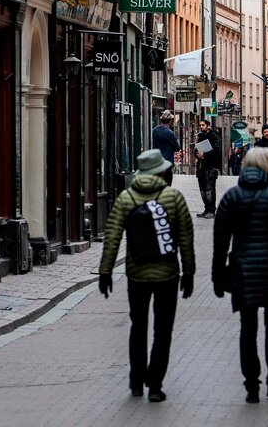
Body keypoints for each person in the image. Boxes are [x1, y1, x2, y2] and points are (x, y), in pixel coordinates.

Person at [99, 148, 196, 402]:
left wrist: (105, 271)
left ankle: (135, 381)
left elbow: (112, 237)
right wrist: (189, 272)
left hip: (136, 273)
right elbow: (186, 237)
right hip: (167, 274)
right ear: (161, 171)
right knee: (163, 330)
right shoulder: (173, 197)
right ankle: (155, 385)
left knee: (138, 327)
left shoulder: (126, 198)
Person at [211, 146, 268, 403]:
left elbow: (220, 243)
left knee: (247, 327)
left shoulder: (231, 198)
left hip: (243, 270)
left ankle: (251, 385)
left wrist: (218, 277)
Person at [195, 119, 222, 218]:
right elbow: (196, 150)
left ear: (208, 126)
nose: (201, 127)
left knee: (209, 189)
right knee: (202, 190)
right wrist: (197, 154)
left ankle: (211, 210)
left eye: (203, 125)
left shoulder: (214, 136)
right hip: (201, 167)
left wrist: (205, 155)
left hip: (211, 167)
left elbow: (217, 151)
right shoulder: (200, 136)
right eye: (200, 125)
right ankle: (206, 209)